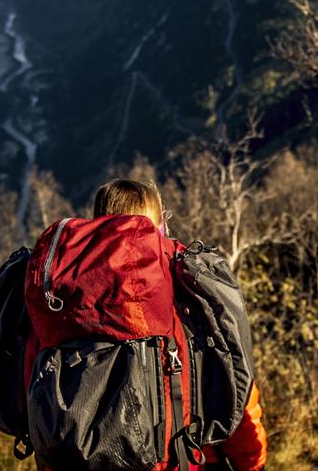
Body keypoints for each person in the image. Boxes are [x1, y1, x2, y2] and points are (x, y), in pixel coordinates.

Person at [90, 178, 269, 471]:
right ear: (160, 226)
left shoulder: (65, 297)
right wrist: (252, 464)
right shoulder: (190, 292)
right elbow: (235, 389)